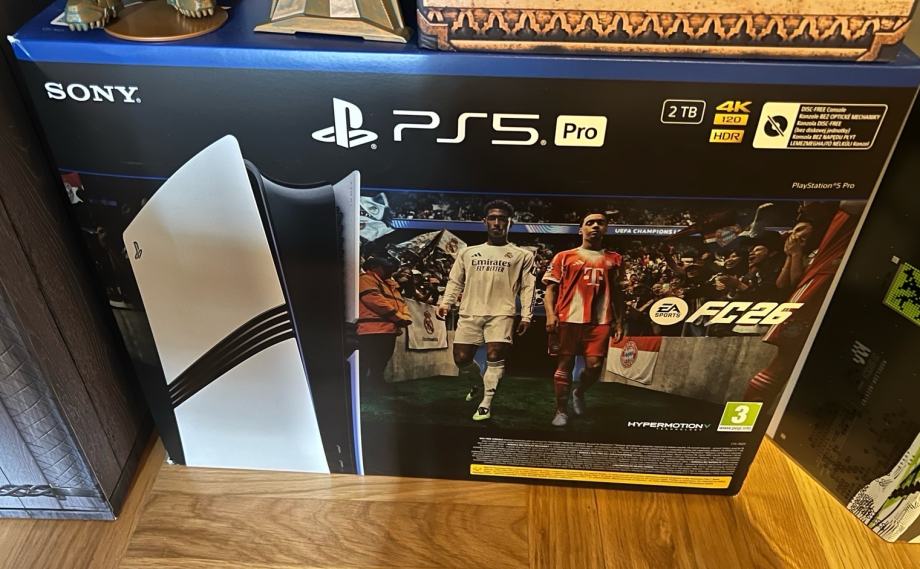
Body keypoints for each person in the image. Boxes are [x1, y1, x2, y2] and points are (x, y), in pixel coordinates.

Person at [437, 200, 537, 421]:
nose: (497, 222)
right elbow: (455, 281)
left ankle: (485, 404)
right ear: (485, 222)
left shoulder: (523, 255)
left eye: (502, 218)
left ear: (510, 223)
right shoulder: (468, 252)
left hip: (502, 312)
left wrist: (527, 315)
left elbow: (528, 287)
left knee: (495, 355)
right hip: (470, 311)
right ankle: (476, 383)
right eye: (492, 218)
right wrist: (446, 303)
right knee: (461, 358)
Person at [543, 212, 624, 427]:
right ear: (581, 230)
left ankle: (579, 392)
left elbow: (617, 293)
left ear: (606, 228)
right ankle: (561, 411)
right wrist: (550, 315)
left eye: (600, 223)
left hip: (600, 320)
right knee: (564, 364)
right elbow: (550, 290)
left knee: (595, 366)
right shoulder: (564, 256)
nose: (595, 226)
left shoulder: (615, 259)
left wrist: (619, 321)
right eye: (590, 223)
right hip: (568, 318)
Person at [358, 256, 411, 393]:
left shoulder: (390, 285)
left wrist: (404, 317)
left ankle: (376, 385)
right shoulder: (366, 279)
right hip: (371, 330)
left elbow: (402, 303)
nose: (390, 270)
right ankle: (362, 389)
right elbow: (374, 301)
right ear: (374, 267)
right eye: (385, 267)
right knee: (367, 361)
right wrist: (399, 318)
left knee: (381, 361)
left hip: (388, 329)